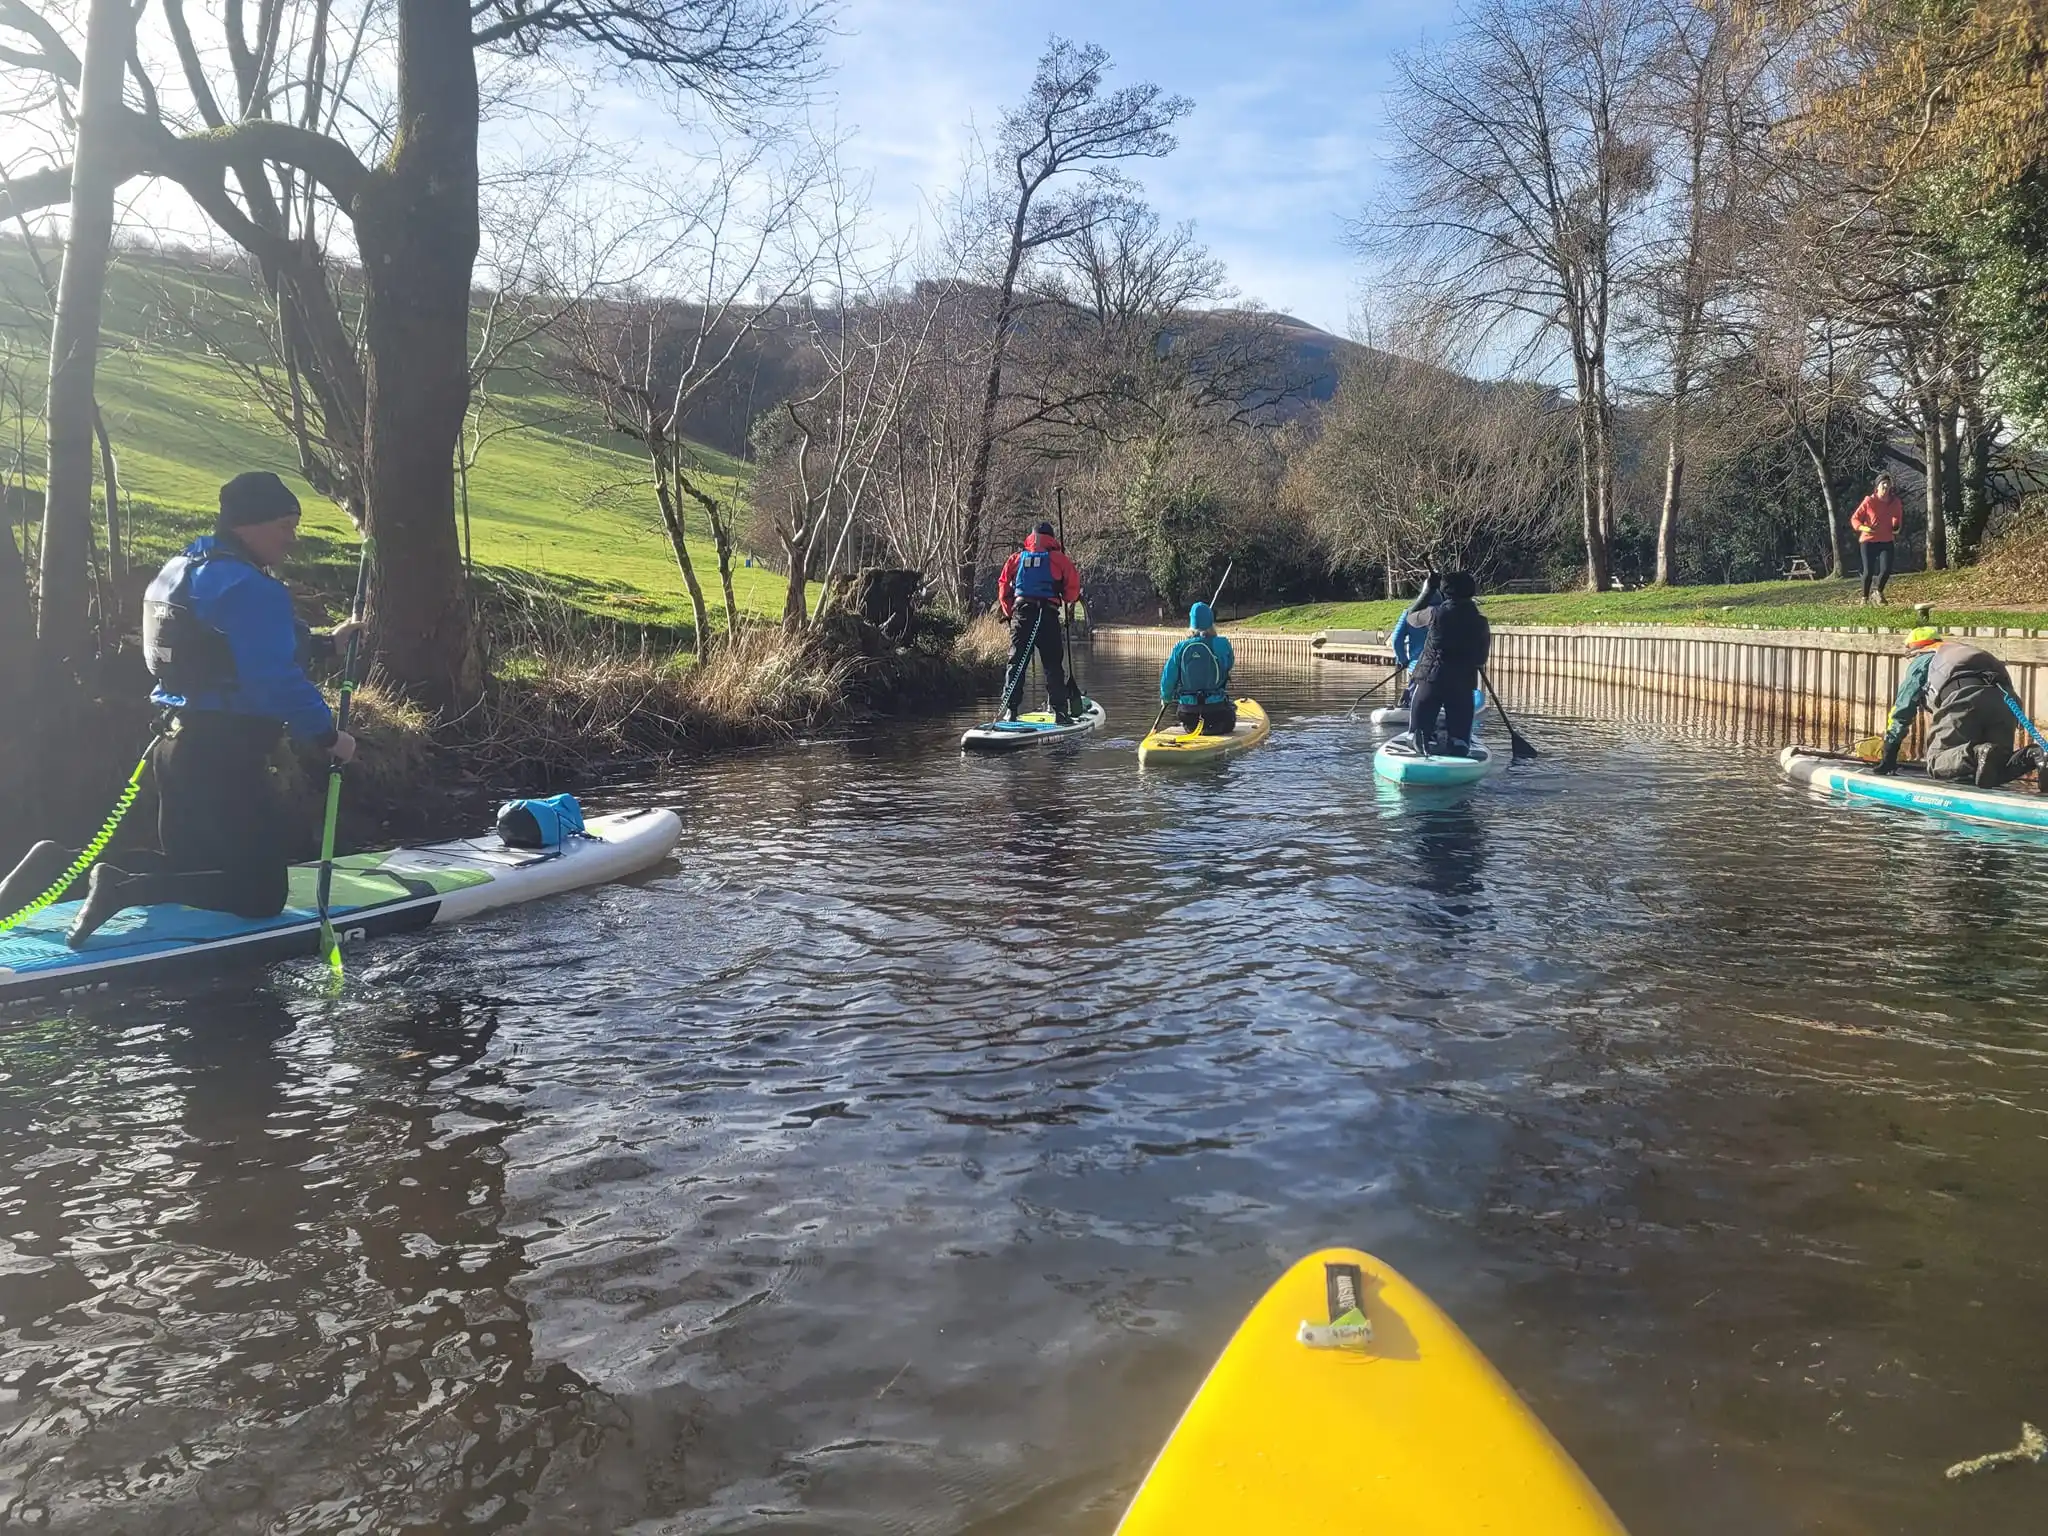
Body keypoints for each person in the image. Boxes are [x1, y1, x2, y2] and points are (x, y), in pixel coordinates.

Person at [0, 472, 359, 945]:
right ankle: (123, 888)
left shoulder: (183, 568)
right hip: (227, 756)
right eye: (284, 525)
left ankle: (56, 862)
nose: (291, 538)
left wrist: (324, 644)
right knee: (260, 895)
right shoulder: (253, 588)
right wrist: (328, 736)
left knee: (192, 869)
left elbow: (222, 650)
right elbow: (274, 679)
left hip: (175, 748)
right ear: (250, 524)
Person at [1875, 626, 2043, 788]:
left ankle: (1976, 753)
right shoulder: (1961, 651)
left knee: (1936, 762)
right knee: (1994, 769)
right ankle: (2032, 755)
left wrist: (1889, 754)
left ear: (1913, 649)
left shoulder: (1923, 659)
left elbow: (1902, 708)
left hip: (1963, 699)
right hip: (2006, 701)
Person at [996, 520, 1083, 722]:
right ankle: (1060, 711)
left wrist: (1010, 612)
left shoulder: (1016, 559)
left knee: (1016, 662)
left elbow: (1003, 589)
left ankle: (1011, 711)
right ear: (1051, 538)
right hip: (1048, 615)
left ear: (1031, 537)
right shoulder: (1060, 559)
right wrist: (1063, 596)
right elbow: (1072, 592)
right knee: (1052, 664)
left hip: (1022, 614)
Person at [1400, 570, 1493, 757]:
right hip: (1462, 685)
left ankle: (1421, 740)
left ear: (1444, 592)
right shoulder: (1481, 622)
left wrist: (1427, 591)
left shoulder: (1434, 614)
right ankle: (1457, 744)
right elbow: (1480, 660)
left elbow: (1411, 616)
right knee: (1459, 742)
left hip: (1430, 680)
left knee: (1417, 735)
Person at [1159, 601, 1237, 734]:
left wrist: (1165, 698)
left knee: (1189, 721)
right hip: (1216, 711)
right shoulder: (1222, 644)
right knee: (1231, 712)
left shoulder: (1180, 647)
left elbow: (1168, 679)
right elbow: (1228, 665)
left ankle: (1195, 730)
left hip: (1188, 713)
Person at [1849, 472, 1903, 605]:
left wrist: (1896, 525)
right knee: (1868, 572)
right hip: (1869, 540)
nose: (1886, 486)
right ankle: (1865, 598)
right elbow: (1854, 519)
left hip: (1886, 539)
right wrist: (1865, 528)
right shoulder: (1869, 501)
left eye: (1888, 483)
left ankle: (1878, 592)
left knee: (1886, 570)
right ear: (1877, 486)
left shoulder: (1895, 502)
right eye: (1883, 483)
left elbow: (1897, 516)